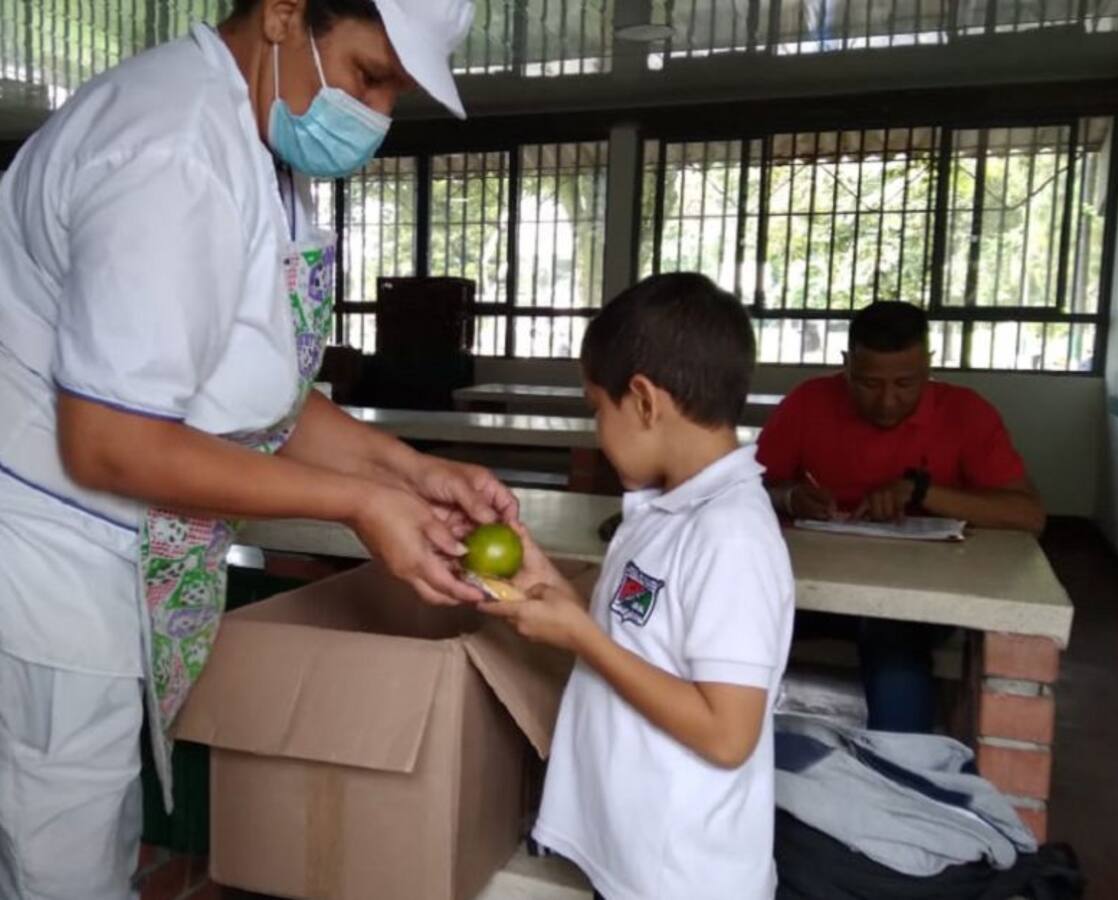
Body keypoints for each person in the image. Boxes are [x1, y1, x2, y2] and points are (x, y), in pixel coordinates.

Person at [0, 2, 512, 897]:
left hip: (107, 554)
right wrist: (357, 504)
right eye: (370, 73)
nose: (379, 114)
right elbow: (112, 441)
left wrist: (408, 469)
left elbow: (253, 390)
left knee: (83, 831)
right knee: (61, 857)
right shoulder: (173, 150)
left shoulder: (253, 147)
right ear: (283, 14)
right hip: (49, 556)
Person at [483, 274, 795, 900]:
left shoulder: (731, 536)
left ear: (646, 401)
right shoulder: (667, 509)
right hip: (636, 860)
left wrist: (583, 641)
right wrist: (564, 602)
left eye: (597, 408)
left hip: (686, 879)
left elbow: (727, 733)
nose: (597, 431)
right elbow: (642, 644)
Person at [756, 300, 1046, 733]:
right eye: (869, 383)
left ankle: (903, 779)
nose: (888, 401)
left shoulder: (966, 413)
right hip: (814, 589)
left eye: (906, 384)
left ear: (929, 366)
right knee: (743, 622)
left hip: (913, 602)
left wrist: (924, 492)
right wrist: (790, 496)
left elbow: (1028, 515)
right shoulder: (809, 402)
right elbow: (745, 486)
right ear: (846, 364)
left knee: (894, 652)